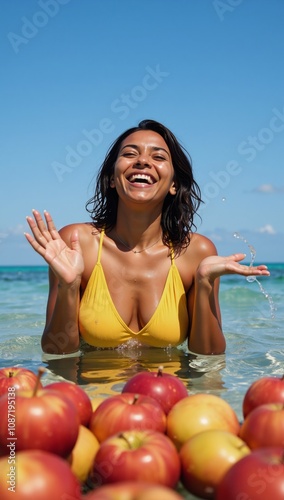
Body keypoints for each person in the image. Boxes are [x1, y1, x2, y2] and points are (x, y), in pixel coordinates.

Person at [25, 119, 270, 356]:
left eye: (158, 156)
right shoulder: (77, 243)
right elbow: (57, 351)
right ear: (111, 178)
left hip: (169, 392)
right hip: (96, 394)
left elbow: (209, 355)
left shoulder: (196, 252)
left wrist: (204, 282)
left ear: (174, 184)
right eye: (130, 154)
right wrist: (69, 287)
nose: (143, 161)